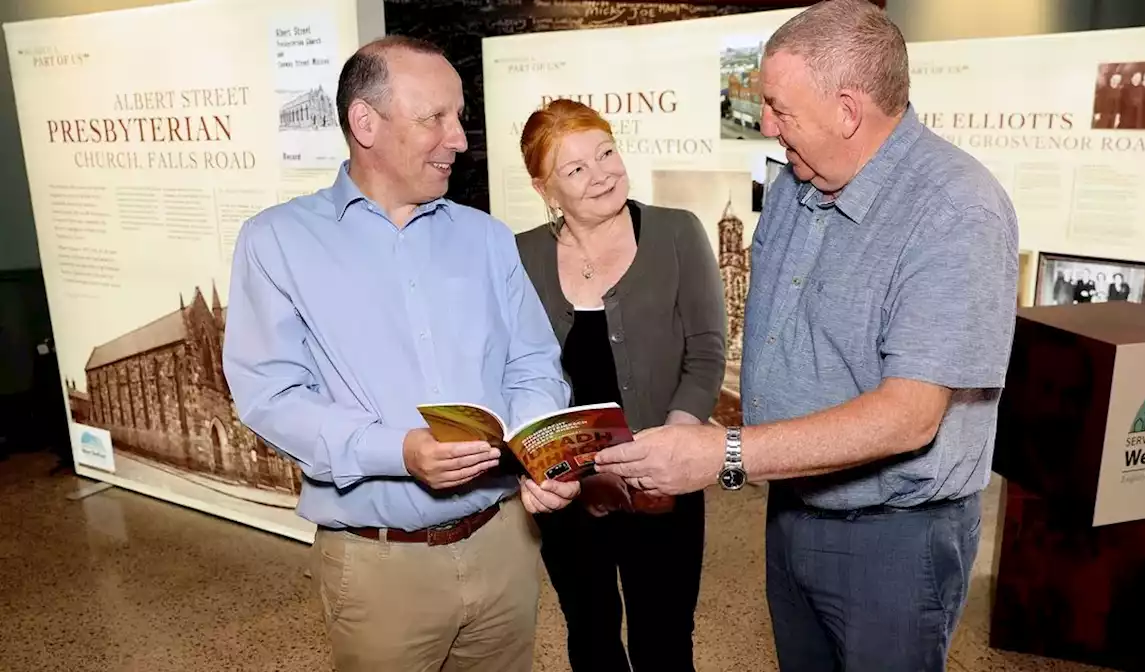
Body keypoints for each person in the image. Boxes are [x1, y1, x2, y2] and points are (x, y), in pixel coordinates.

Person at [594, 1, 1019, 670]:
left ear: (848, 111)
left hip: (895, 542)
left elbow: (909, 418)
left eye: (778, 107)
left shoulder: (954, 209)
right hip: (791, 507)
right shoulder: (796, 182)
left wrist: (725, 455)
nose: (764, 124)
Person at [222, 36, 579, 672]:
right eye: (433, 118)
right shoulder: (276, 243)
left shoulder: (487, 239)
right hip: (379, 569)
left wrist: (538, 452)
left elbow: (531, 364)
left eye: (459, 116)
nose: (459, 139)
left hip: (505, 544)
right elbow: (271, 396)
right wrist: (399, 451)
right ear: (366, 123)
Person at [513, 98, 727, 672]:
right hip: (568, 489)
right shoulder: (521, 255)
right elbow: (513, 367)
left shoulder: (677, 232)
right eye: (576, 168)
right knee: (590, 635)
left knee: (663, 642)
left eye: (606, 152)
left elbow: (706, 352)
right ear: (545, 188)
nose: (603, 172)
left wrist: (674, 448)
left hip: (662, 483)